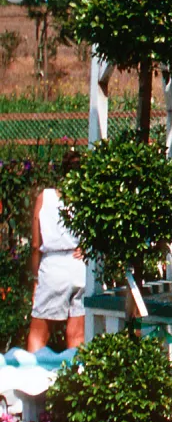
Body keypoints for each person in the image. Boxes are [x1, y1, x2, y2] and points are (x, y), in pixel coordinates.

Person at [28, 151, 86, 352]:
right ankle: (76, 379)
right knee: (77, 334)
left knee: (38, 334)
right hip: (80, 267)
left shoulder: (45, 197)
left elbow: (36, 245)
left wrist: (36, 278)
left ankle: (31, 380)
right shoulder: (85, 199)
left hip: (52, 267)